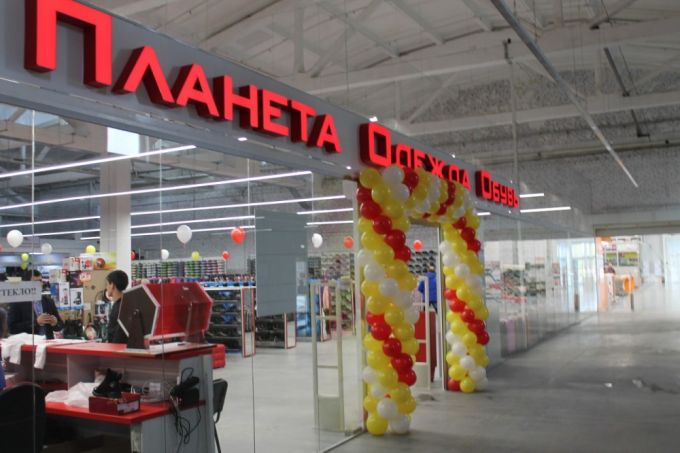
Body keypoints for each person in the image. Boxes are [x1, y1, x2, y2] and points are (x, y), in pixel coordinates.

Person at [8, 269, 63, 339]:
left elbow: (60, 325)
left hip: (48, 343)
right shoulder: (17, 303)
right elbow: (12, 328)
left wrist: (55, 323)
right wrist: (36, 322)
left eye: (40, 281)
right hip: (28, 343)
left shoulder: (48, 301)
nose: (39, 284)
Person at [105, 270, 129, 343]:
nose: (106, 287)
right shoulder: (126, 303)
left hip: (117, 348)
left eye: (107, 284)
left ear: (112, 285)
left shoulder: (118, 307)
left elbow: (118, 335)